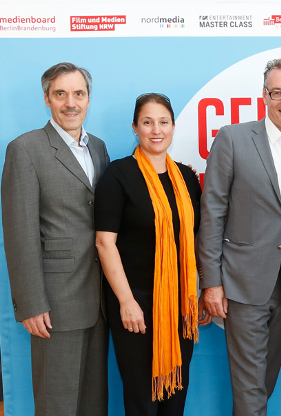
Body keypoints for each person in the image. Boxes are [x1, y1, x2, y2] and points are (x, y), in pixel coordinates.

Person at [199, 56, 281, 416]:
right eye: (277, 93)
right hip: (242, 284)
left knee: (262, 385)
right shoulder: (233, 139)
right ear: (265, 96)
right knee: (250, 390)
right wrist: (211, 282)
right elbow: (213, 212)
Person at [1, 62, 110, 416]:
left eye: (78, 94)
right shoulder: (25, 149)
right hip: (55, 303)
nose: (70, 103)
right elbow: (19, 233)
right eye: (60, 94)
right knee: (57, 404)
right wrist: (31, 303)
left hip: (100, 301)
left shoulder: (98, 148)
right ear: (47, 99)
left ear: (88, 99)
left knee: (94, 403)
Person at [94, 93, 211, 415]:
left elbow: (195, 238)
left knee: (175, 395)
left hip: (179, 303)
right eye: (147, 122)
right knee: (141, 399)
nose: (156, 130)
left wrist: (200, 290)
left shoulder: (186, 178)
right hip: (136, 302)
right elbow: (104, 243)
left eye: (163, 122)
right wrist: (126, 301)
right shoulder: (119, 175)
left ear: (173, 127)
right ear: (135, 128)